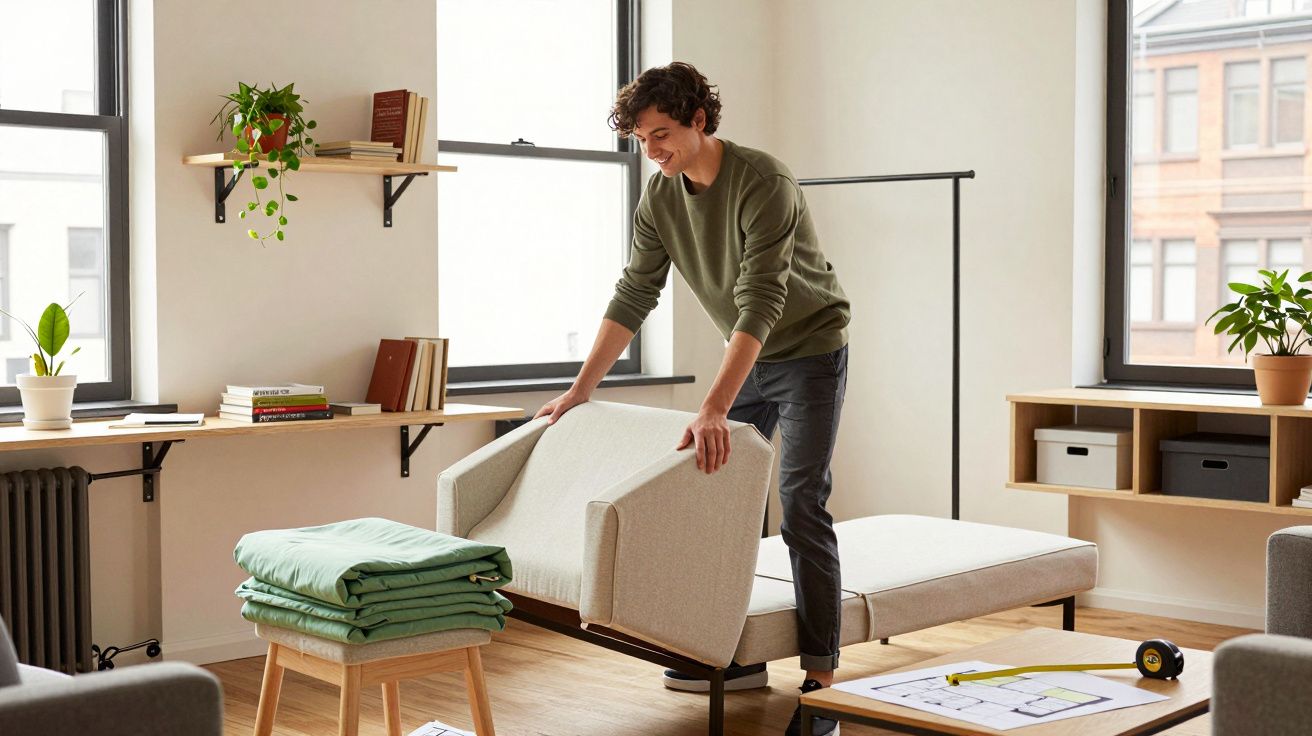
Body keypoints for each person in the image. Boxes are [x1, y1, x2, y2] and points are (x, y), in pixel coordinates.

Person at [534, 61, 850, 736]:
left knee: (799, 499)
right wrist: (578, 392)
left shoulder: (763, 182)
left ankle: (821, 677)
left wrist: (712, 406)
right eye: (643, 140)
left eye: (663, 134)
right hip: (750, 355)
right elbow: (633, 293)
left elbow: (761, 299)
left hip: (808, 352)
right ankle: (730, 653)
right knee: (714, 493)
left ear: (700, 121)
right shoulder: (661, 197)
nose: (653, 150)